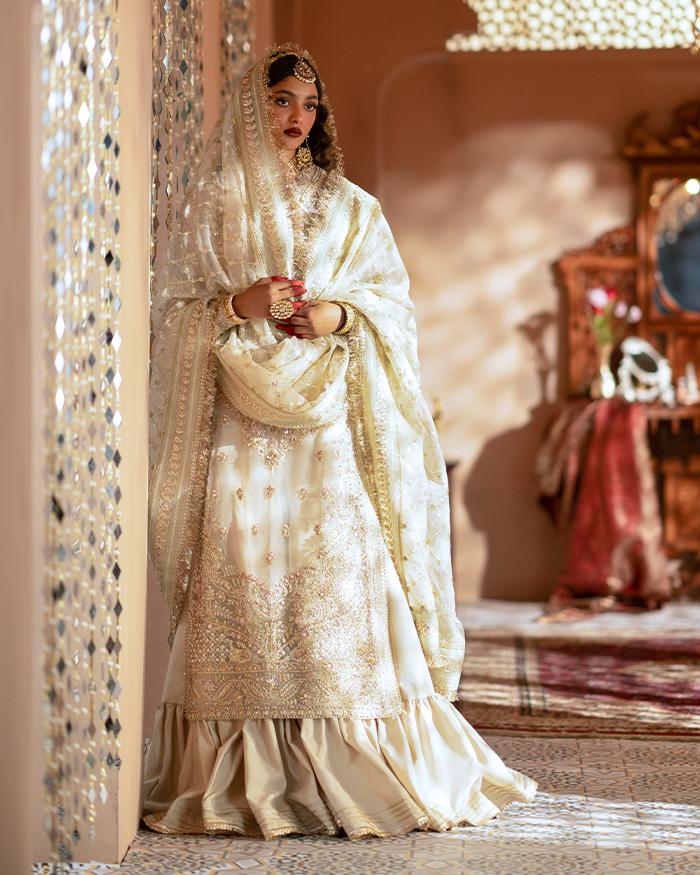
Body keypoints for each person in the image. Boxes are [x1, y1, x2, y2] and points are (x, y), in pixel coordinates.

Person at [144, 44, 536, 839]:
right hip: (238, 433)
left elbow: (392, 306)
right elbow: (170, 315)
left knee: (340, 582)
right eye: (280, 100)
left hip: (326, 434)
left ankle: (363, 768)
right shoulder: (210, 207)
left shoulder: (353, 208)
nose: (297, 116)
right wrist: (236, 305)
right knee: (245, 583)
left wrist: (341, 314)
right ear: (250, 106)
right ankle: (238, 776)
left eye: (308, 103)